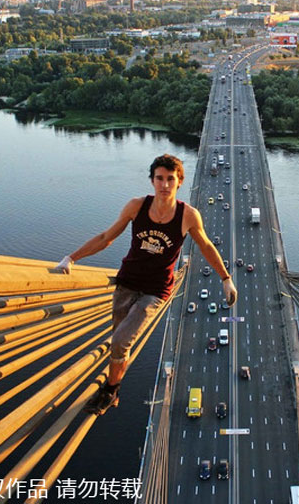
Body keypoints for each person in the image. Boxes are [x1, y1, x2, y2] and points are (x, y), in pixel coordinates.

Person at [55, 154, 237, 415]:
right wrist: (71, 258)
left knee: (120, 341)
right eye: (159, 178)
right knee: (119, 344)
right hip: (126, 283)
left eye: (170, 179)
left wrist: (226, 279)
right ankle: (114, 388)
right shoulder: (136, 206)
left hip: (155, 290)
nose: (165, 184)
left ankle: (110, 389)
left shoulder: (188, 215)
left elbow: (206, 246)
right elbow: (106, 237)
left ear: (179, 182)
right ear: (152, 181)